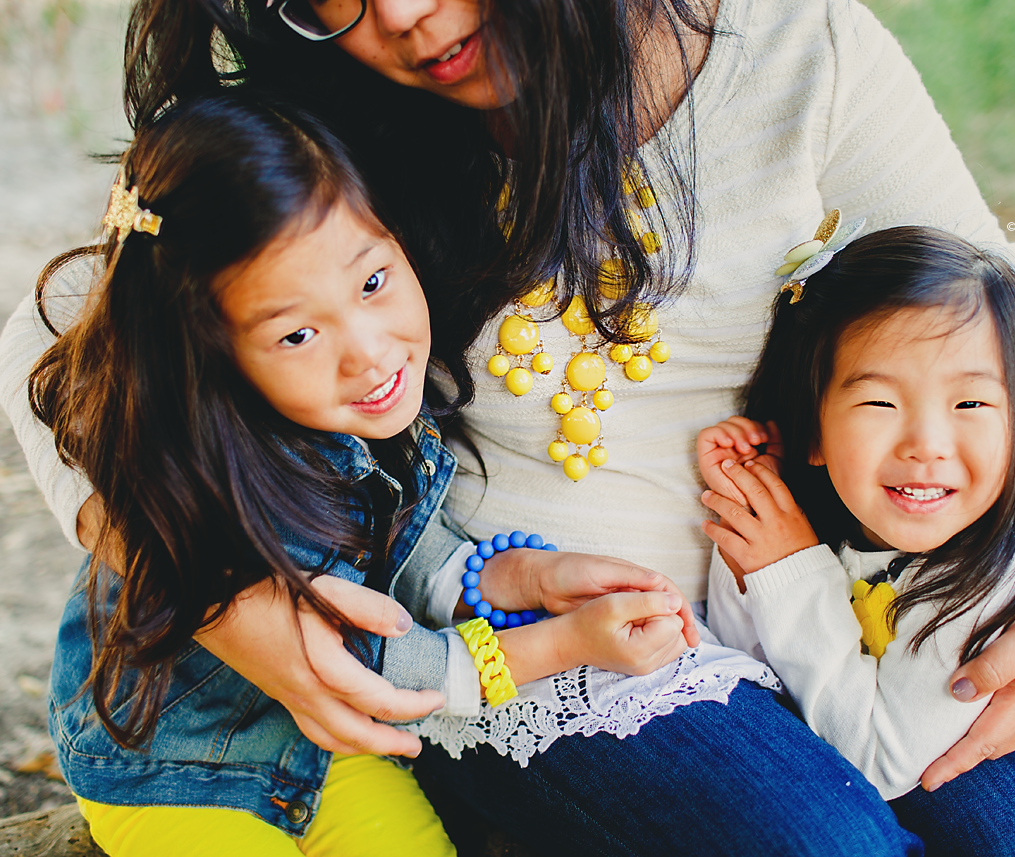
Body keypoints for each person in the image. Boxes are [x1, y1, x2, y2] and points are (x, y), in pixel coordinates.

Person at [0, 0, 1015, 852]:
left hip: (813, 591)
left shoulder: (796, 50)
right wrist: (219, 592)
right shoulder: (324, 131)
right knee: (823, 846)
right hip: (540, 637)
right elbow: (50, 352)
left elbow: (991, 299)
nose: (398, 17)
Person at [29, 91, 703, 857]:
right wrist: (565, 645)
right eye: (298, 333)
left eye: (373, 281)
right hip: (173, 764)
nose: (368, 351)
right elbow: (378, 672)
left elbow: (404, 551)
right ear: (210, 356)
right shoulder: (231, 460)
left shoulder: (364, 413)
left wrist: (525, 577)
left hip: (320, 744)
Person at [700, 225, 1015, 857]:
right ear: (814, 433)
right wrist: (756, 513)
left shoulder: (987, 581)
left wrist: (787, 564)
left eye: (970, 404)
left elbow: (878, 761)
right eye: (880, 403)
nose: (927, 444)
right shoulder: (836, 527)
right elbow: (759, 661)